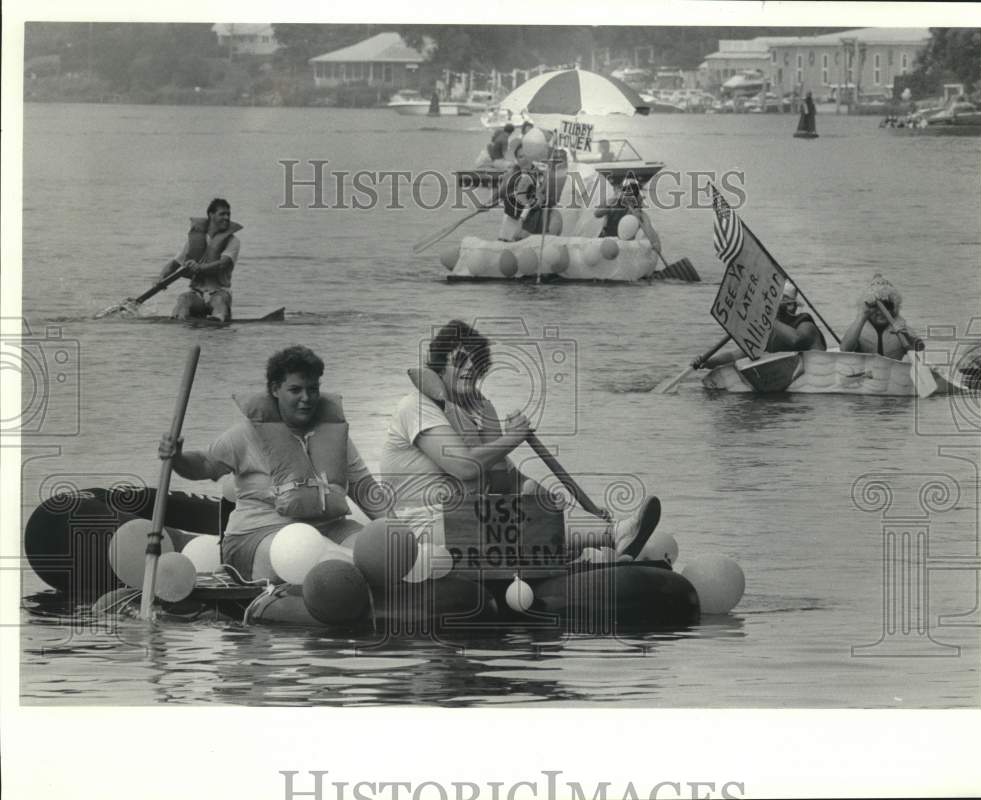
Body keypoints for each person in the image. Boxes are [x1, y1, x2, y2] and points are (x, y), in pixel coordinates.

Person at [380, 320, 661, 561]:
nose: (469, 367)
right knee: (511, 519)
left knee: (532, 495)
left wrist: (562, 505)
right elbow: (464, 467)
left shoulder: (477, 410)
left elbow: (502, 481)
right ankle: (611, 535)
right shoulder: (416, 406)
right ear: (440, 366)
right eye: (460, 360)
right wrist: (513, 437)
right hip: (420, 526)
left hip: (466, 516)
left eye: (475, 361)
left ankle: (605, 535)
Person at [158, 345, 385, 581]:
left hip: (330, 527)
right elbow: (204, 464)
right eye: (295, 390)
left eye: (313, 389)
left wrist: (398, 531)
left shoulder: (333, 436)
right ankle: (354, 570)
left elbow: (364, 488)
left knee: (384, 551)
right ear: (276, 389)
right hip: (259, 534)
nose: (306, 398)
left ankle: (360, 572)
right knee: (310, 552)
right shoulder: (245, 434)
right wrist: (178, 458)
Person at [692, 281, 827, 370]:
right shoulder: (770, 332)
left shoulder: (805, 324)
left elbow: (796, 340)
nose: (791, 308)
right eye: (786, 304)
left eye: (791, 304)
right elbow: (736, 355)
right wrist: (707, 362)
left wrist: (768, 319)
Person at [159, 198, 240, 322]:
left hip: (219, 292)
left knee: (219, 300)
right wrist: (161, 277)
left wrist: (199, 267)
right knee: (183, 299)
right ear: (211, 215)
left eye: (228, 214)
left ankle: (218, 319)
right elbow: (174, 264)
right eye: (222, 214)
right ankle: (177, 319)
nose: (227, 218)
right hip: (197, 294)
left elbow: (222, 264)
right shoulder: (195, 240)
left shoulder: (233, 241)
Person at [840, 273, 921, 360]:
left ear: (894, 308)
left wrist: (908, 338)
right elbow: (845, 349)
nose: (881, 312)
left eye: (888, 305)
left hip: (892, 368)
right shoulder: (858, 327)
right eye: (875, 306)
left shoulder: (901, 325)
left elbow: (920, 350)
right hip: (866, 368)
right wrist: (862, 316)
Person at [594, 178, 662, 253]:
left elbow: (649, 229)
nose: (629, 198)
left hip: (623, 247)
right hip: (605, 242)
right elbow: (597, 214)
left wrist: (654, 243)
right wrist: (613, 201)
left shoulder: (639, 213)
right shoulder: (613, 203)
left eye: (633, 195)